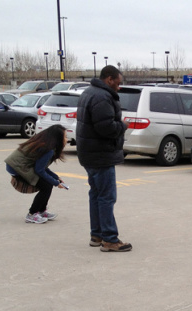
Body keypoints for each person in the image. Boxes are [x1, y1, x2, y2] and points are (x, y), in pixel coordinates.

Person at [76, 65, 132, 252]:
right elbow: (106, 127)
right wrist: (123, 126)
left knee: (96, 194)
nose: (119, 86)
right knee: (107, 197)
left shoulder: (89, 92)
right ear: (109, 79)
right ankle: (109, 239)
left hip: (90, 153)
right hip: (100, 154)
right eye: (118, 82)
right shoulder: (102, 96)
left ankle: (97, 235)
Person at [5, 124, 68, 223]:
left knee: (47, 185)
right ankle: (32, 214)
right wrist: (56, 183)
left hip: (19, 165)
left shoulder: (46, 145)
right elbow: (39, 170)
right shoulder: (48, 149)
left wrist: (56, 178)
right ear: (58, 138)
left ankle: (41, 211)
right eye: (65, 137)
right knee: (46, 186)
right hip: (17, 167)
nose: (66, 139)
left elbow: (41, 167)